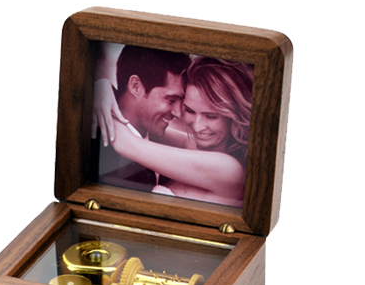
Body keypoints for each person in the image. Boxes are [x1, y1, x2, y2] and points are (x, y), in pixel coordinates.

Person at [106, 56, 254, 207]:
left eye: (211, 116)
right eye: (189, 110)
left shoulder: (229, 169)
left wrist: (100, 89)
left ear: (233, 117)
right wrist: (106, 89)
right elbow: (142, 127)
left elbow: (126, 144)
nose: (197, 126)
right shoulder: (191, 145)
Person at [93, 43, 191, 191]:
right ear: (136, 86)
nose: (178, 113)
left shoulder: (151, 137)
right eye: (171, 100)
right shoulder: (106, 162)